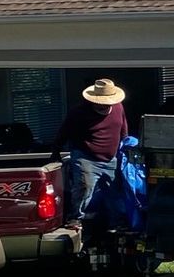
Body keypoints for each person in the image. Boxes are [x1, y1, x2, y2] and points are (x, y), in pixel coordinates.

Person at [53, 78, 129, 222]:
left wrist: (125, 146)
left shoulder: (118, 108)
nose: (104, 105)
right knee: (84, 187)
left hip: (111, 158)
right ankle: (76, 217)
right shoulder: (78, 112)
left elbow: (123, 129)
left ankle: (118, 221)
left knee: (115, 191)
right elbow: (64, 132)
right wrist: (56, 150)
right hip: (86, 157)